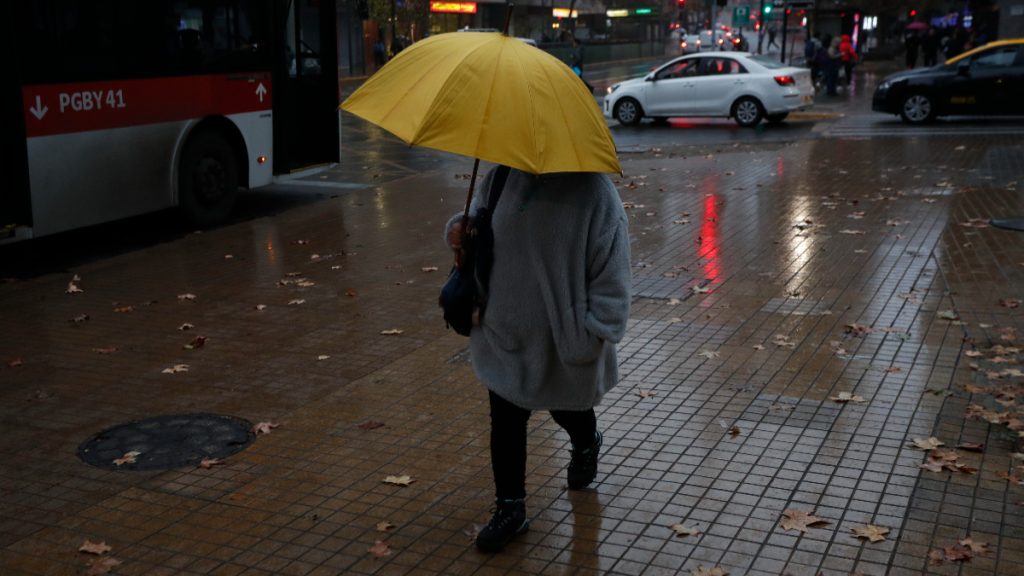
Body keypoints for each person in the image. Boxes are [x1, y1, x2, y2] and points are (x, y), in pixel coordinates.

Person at [444, 167, 631, 553]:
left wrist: (596, 329)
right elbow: (479, 222)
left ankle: (586, 442)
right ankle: (510, 508)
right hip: (505, 331)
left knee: (568, 411)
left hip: (564, 338)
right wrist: (459, 231)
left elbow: (613, 268)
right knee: (506, 421)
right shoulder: (499, 176)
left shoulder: (594, 190)